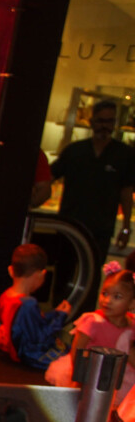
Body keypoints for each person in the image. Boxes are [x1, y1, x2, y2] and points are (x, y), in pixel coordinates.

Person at [43, 101, 135, 285]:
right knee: (63, 275)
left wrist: (126, 228)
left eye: (109, 121)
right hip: (70, 225)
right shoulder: (75, 151)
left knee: (91, 278)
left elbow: (126, 193)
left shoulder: (124, 155)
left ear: (114, 123)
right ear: (92, 122)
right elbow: (48, 177)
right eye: (100, 121)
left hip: (100, 228)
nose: (104, 126)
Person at [45, 262, 135, 388]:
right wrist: (79, 376)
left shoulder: (132, 324)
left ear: (132, 303)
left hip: (114, 372)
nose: (107, 301)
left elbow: (129, 352)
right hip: (89, 370)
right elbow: (77, 350)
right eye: (104, 293)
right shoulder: (93, 321)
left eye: (117, 297)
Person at [0, 243, 71, 370]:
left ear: (11, 271)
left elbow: (30, 322)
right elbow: (39, 337)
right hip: (29, 353)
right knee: (70, 357)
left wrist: (55, 313)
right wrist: (61, 317)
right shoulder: (28, 304)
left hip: (14, 346)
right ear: (40, 274)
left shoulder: (6, 296)